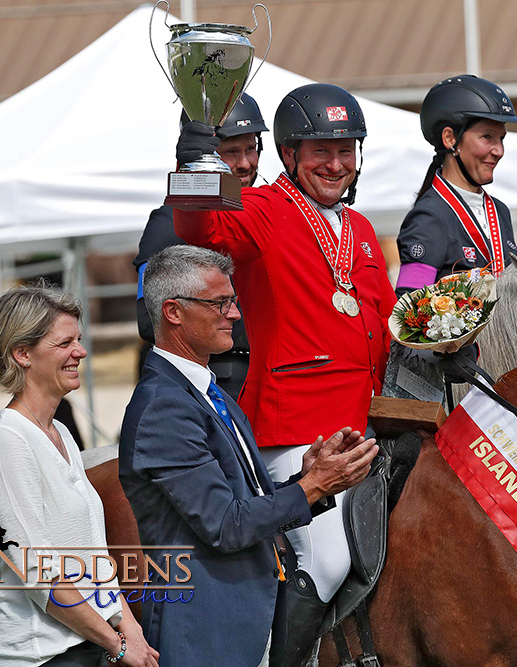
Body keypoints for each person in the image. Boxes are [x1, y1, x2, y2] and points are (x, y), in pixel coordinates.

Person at [171, 82, 396, 649]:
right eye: (321, 150)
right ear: (290, 154)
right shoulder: (264, 209)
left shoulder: (362, 230)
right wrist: (195, 149)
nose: (336, 164)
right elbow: (202, 229)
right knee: (326, 562)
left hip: (368, 421)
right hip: (295, 426)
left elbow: (384, 318)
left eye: (346, 150)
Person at [119, 245, 377, 667]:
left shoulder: (207, 390)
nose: (235, 314)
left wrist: (304, 482)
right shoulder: (162, 408)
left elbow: (243, 503)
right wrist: (312, 488)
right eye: (220, 303)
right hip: (209, 636)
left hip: (244, 626)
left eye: (233, 302)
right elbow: (226, 525)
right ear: (173, 312)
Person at [0, 283, 158, 666]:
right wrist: (117, 643)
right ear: (22, 354)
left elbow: (94, 556)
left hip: (83, 646)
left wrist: (131, 630)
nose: (81, 352)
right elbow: (37, 572)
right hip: (34, 656)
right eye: (64, 343)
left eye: (79, 339)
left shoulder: (62, 435)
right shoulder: (3, 441)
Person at [133, 93, 269, 398]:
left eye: (251, 149)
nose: (245, 163)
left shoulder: (265, 212)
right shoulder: (168, 222)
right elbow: (149, 320)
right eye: (232, 152)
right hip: (217, 384)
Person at [395, 74, 517, 296]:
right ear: (450, 138)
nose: (499, 151)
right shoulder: (429, 216)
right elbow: (409, 311)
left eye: (501, 138)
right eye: (487, 137)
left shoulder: (500, 211)